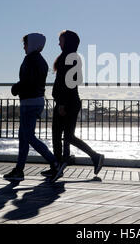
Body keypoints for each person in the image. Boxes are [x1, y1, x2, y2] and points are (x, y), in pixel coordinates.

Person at [42, 30, 104, 178]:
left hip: (67, 102)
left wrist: (62, 103)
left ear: (68, 42)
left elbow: (69, 83)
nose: (58, 43)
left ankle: (61, 165)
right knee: (64, 135)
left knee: (61, 135)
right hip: (69, 101)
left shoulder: (70, 58)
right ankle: (61, 164)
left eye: (61, 40)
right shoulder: (70, 57)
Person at [3, 33, 65, 183]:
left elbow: (27, 81)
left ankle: (55, 163)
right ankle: (19, 170)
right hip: (36, 101)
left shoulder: (30, 59)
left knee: (28, 137)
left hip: (29, 102)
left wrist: (15, 88)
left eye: (25, 44)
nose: (24, 47)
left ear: (31, 44)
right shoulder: (41, 60)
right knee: (24, 137)